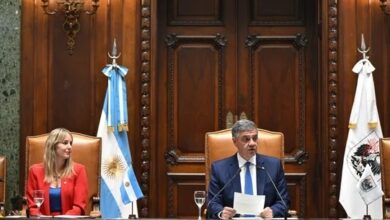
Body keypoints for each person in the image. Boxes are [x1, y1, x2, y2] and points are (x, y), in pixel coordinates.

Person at [207, 119, 290, 219]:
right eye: (246, 139)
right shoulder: (219, 168)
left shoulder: (274, 165)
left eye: (255, 138)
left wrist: (273, 211)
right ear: (235, 141)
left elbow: (284, 201)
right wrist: (221, 213)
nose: (252, 143)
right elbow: (213, 203)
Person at [26, 128, 88, 216]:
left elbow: (78, 207)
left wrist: (63, 218)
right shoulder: (35, 171)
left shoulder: (79, 170)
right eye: (65, 143)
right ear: (53, 145)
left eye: (71, 143)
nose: (70, 147)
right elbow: (32, 206)